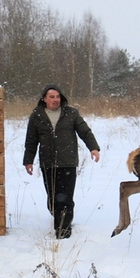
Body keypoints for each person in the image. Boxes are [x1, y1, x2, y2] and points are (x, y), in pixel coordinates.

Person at [23, 84, 100, 239]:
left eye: (57, 97)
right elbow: (31, 140)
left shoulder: (71, 113)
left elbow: (85, 131)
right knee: (53, 198)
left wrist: (93, 148)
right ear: (44, 99)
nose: (55, 100)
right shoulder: (37, 115)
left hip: (67, 162)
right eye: (51, 97)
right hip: (48, 163)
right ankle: (57, 215)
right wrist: (28, 160)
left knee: (65, 197)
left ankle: (63, 230)